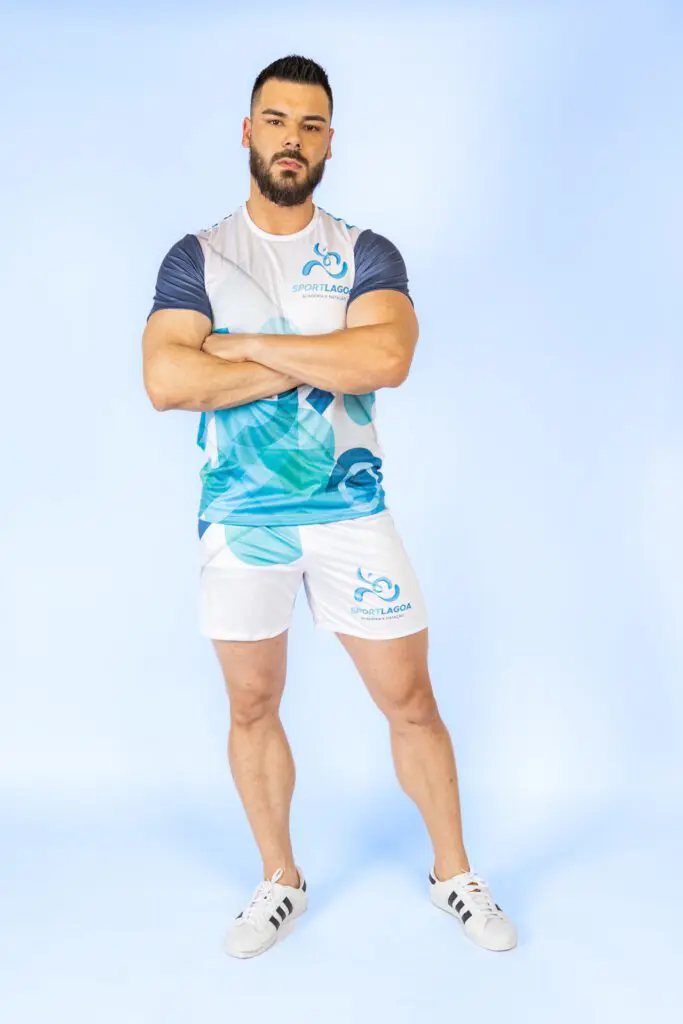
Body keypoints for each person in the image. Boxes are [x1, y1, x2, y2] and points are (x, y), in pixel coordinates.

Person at [142, 54, 517, 959]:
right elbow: (166, 380)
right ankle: (280, 879)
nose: (292, 140)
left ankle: (453, 873)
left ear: (329, 143)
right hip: (242, 517)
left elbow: (384, 360)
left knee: (410, 700)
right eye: (276, 121)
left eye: (310, 126)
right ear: (247, 132)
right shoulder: (198, 256)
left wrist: (238, 349)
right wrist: (317, 355)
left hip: (351, 508)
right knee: (251, 703)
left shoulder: (364, 252)